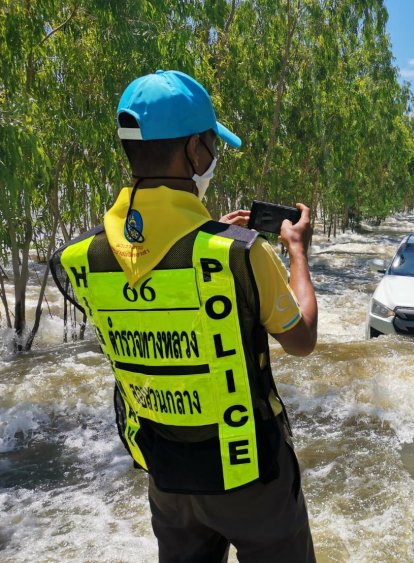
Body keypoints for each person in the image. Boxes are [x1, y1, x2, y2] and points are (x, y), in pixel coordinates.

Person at [50, 70, 318, 562]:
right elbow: (301, 339)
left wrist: (207, 227)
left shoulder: (79, 258)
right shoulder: (240, 254)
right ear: (195, 152)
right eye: (212, 145)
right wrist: (296, 252)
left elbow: (152, 288)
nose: (212, 156)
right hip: (250, 475)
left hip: (166, 474)